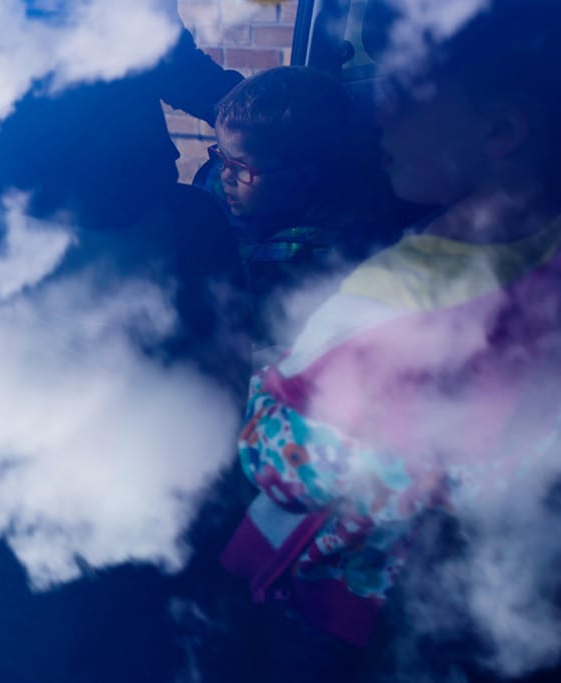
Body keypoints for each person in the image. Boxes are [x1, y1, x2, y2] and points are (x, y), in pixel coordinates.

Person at [218, 1, 561, 681]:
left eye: (402, 89)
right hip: (456, 588)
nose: (377, 112)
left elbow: (280, 462)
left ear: (500, 127)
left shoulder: (399, 294)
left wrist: (266, 382)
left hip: (335, 590)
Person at [196, 66, 404, 357]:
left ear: (302, 177)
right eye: (221, 158)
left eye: (241, 166)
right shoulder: (208, 211)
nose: (225, 176)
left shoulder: (330, 251)